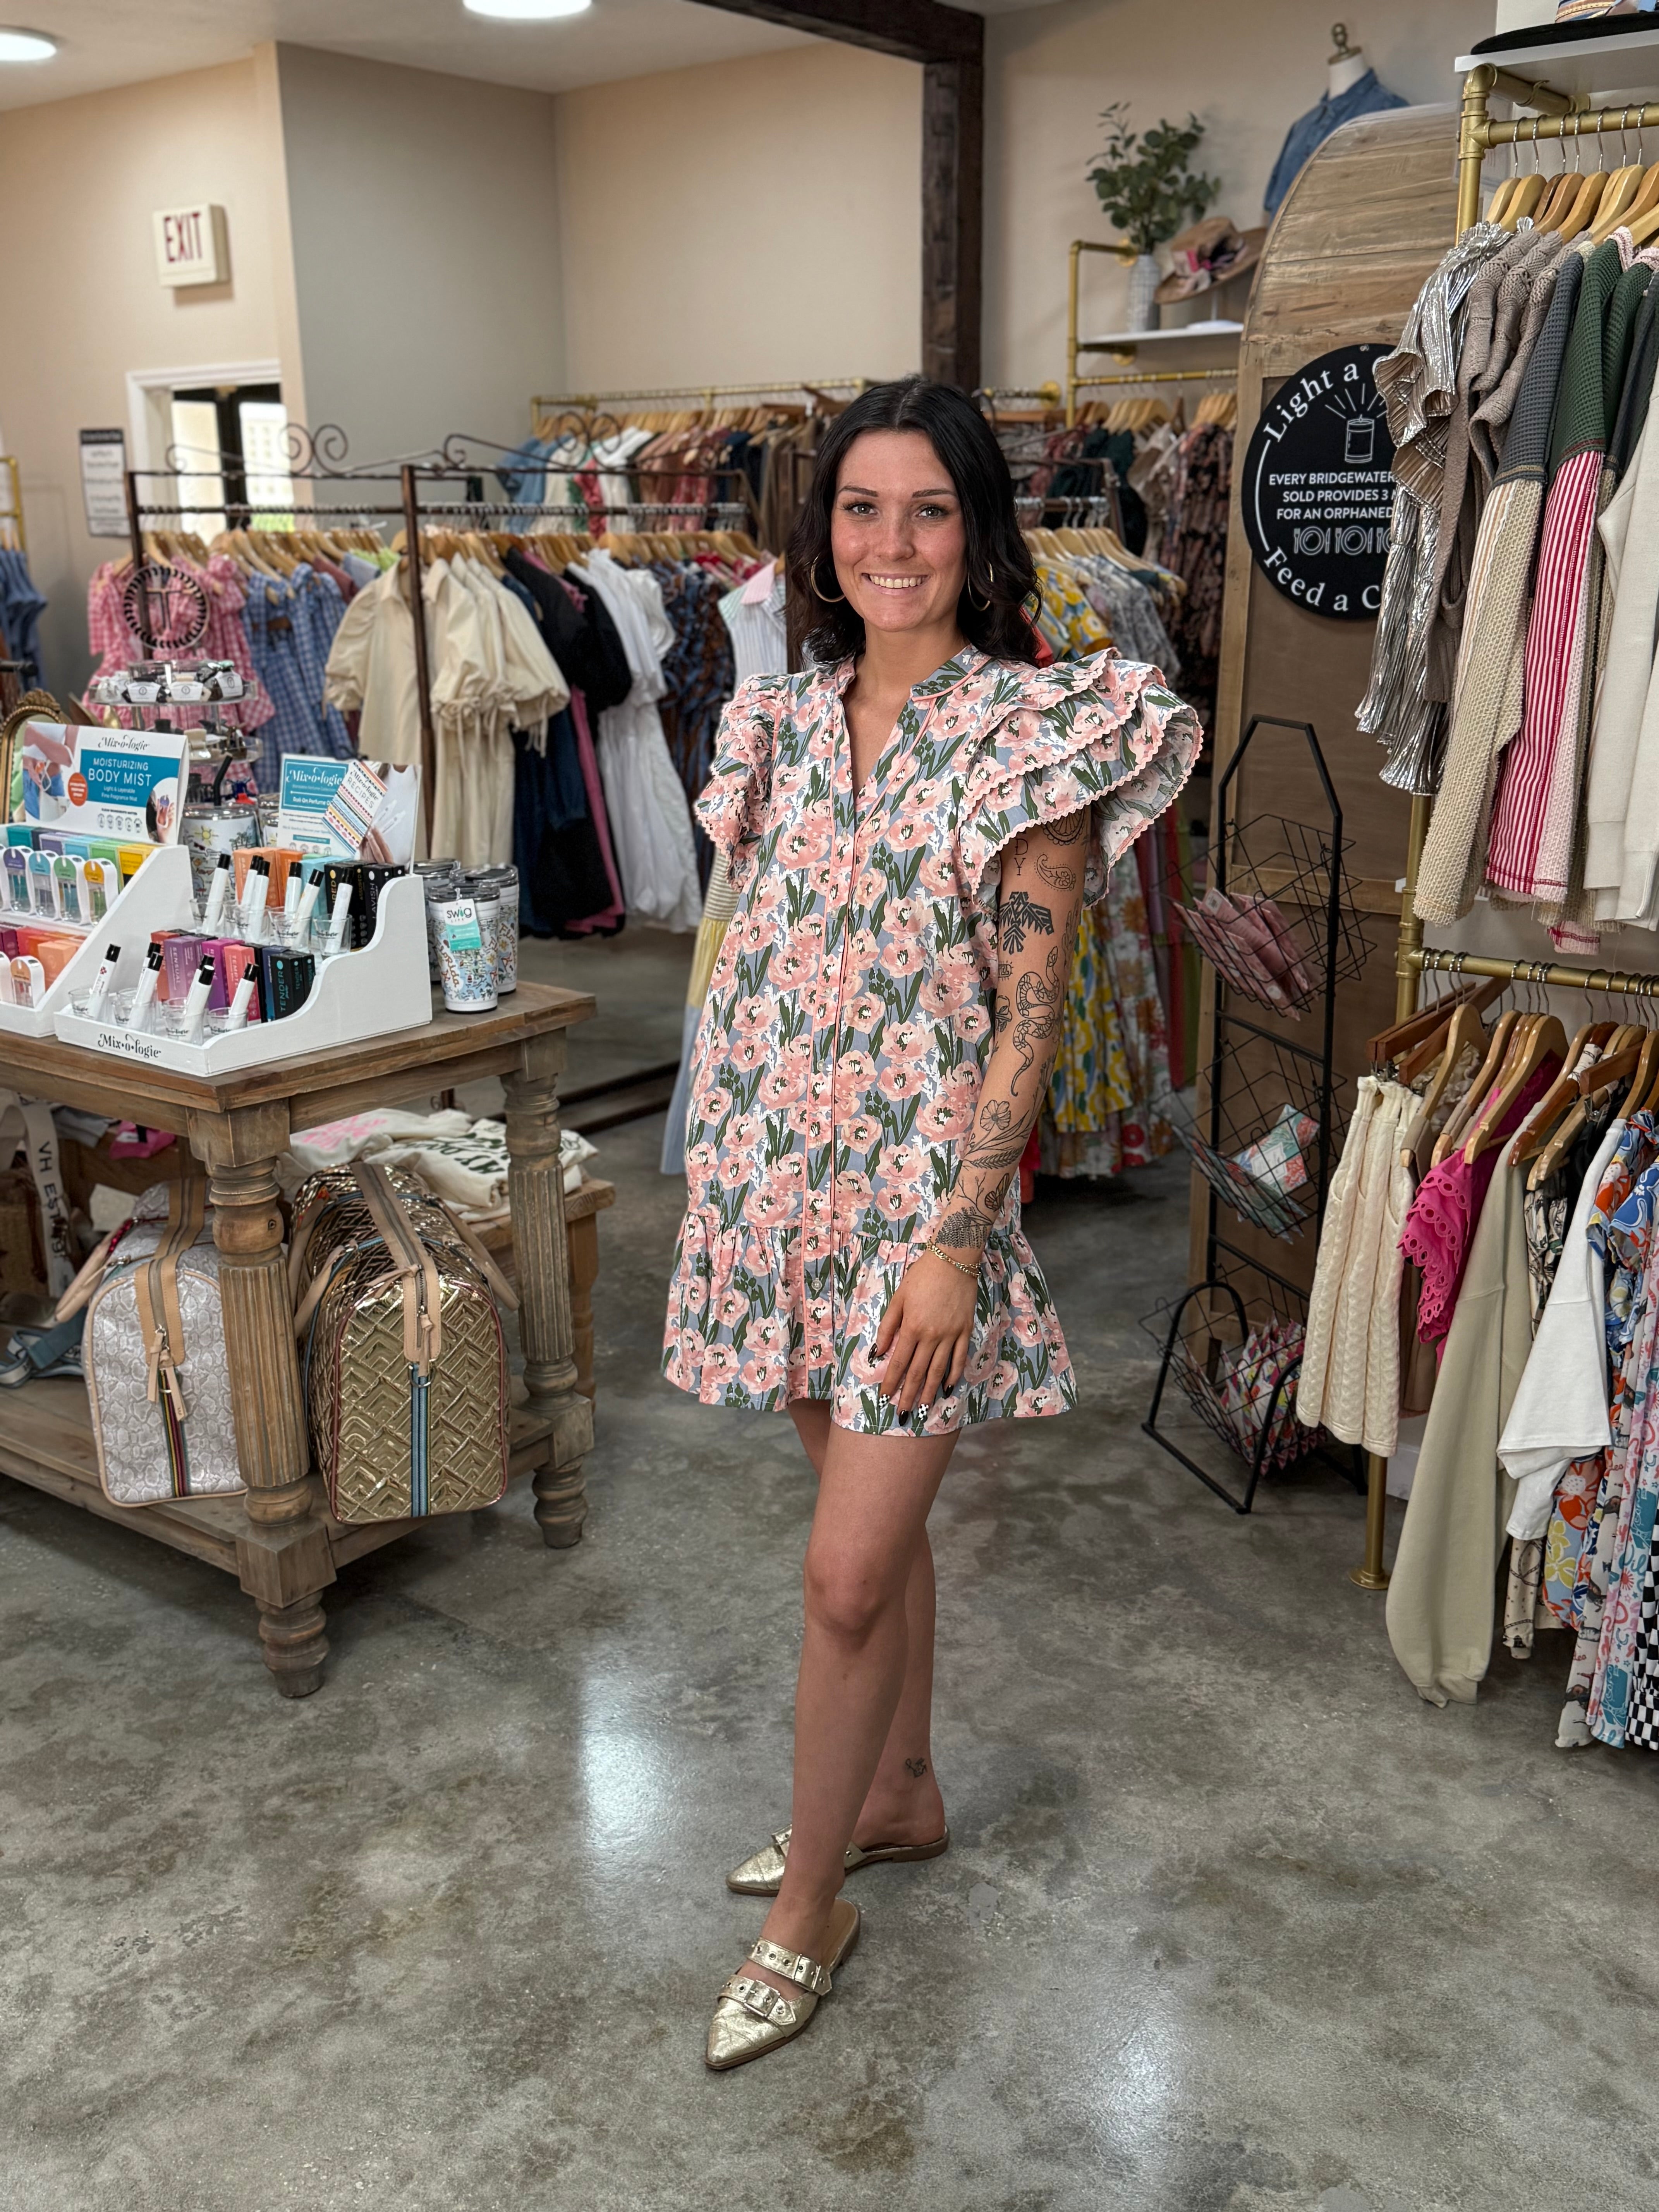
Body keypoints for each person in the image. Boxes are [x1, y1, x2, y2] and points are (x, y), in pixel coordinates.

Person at [662, 376, 1198, 2069]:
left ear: (978, 536)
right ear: (823, 534)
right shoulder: (775, 723)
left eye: (928, 510)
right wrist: (728, 1152)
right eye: (861, 509)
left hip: (916, 1218)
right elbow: (757, 956)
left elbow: (1031, 1020)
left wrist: (963, 1236)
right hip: (776, 1185)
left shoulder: (1029, 731)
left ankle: (808, 1906)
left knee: (837, 1578)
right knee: (864, 1540)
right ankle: (899, 1794)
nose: (890, 543)